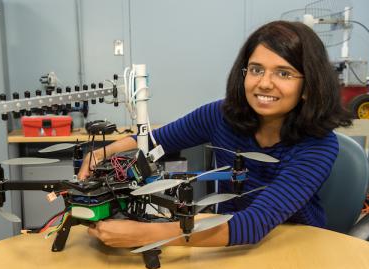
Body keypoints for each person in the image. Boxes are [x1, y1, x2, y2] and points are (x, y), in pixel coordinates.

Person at [78, 20, 352, 249]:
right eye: (256, 69)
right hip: (230, 243)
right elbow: (157, 139)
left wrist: (144, 235)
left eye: (284, 73)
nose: (264, 83)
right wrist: (104, 152)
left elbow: (252, 224)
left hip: (293, 246)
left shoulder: (318, 146)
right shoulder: (220, 116)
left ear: (307, 87)